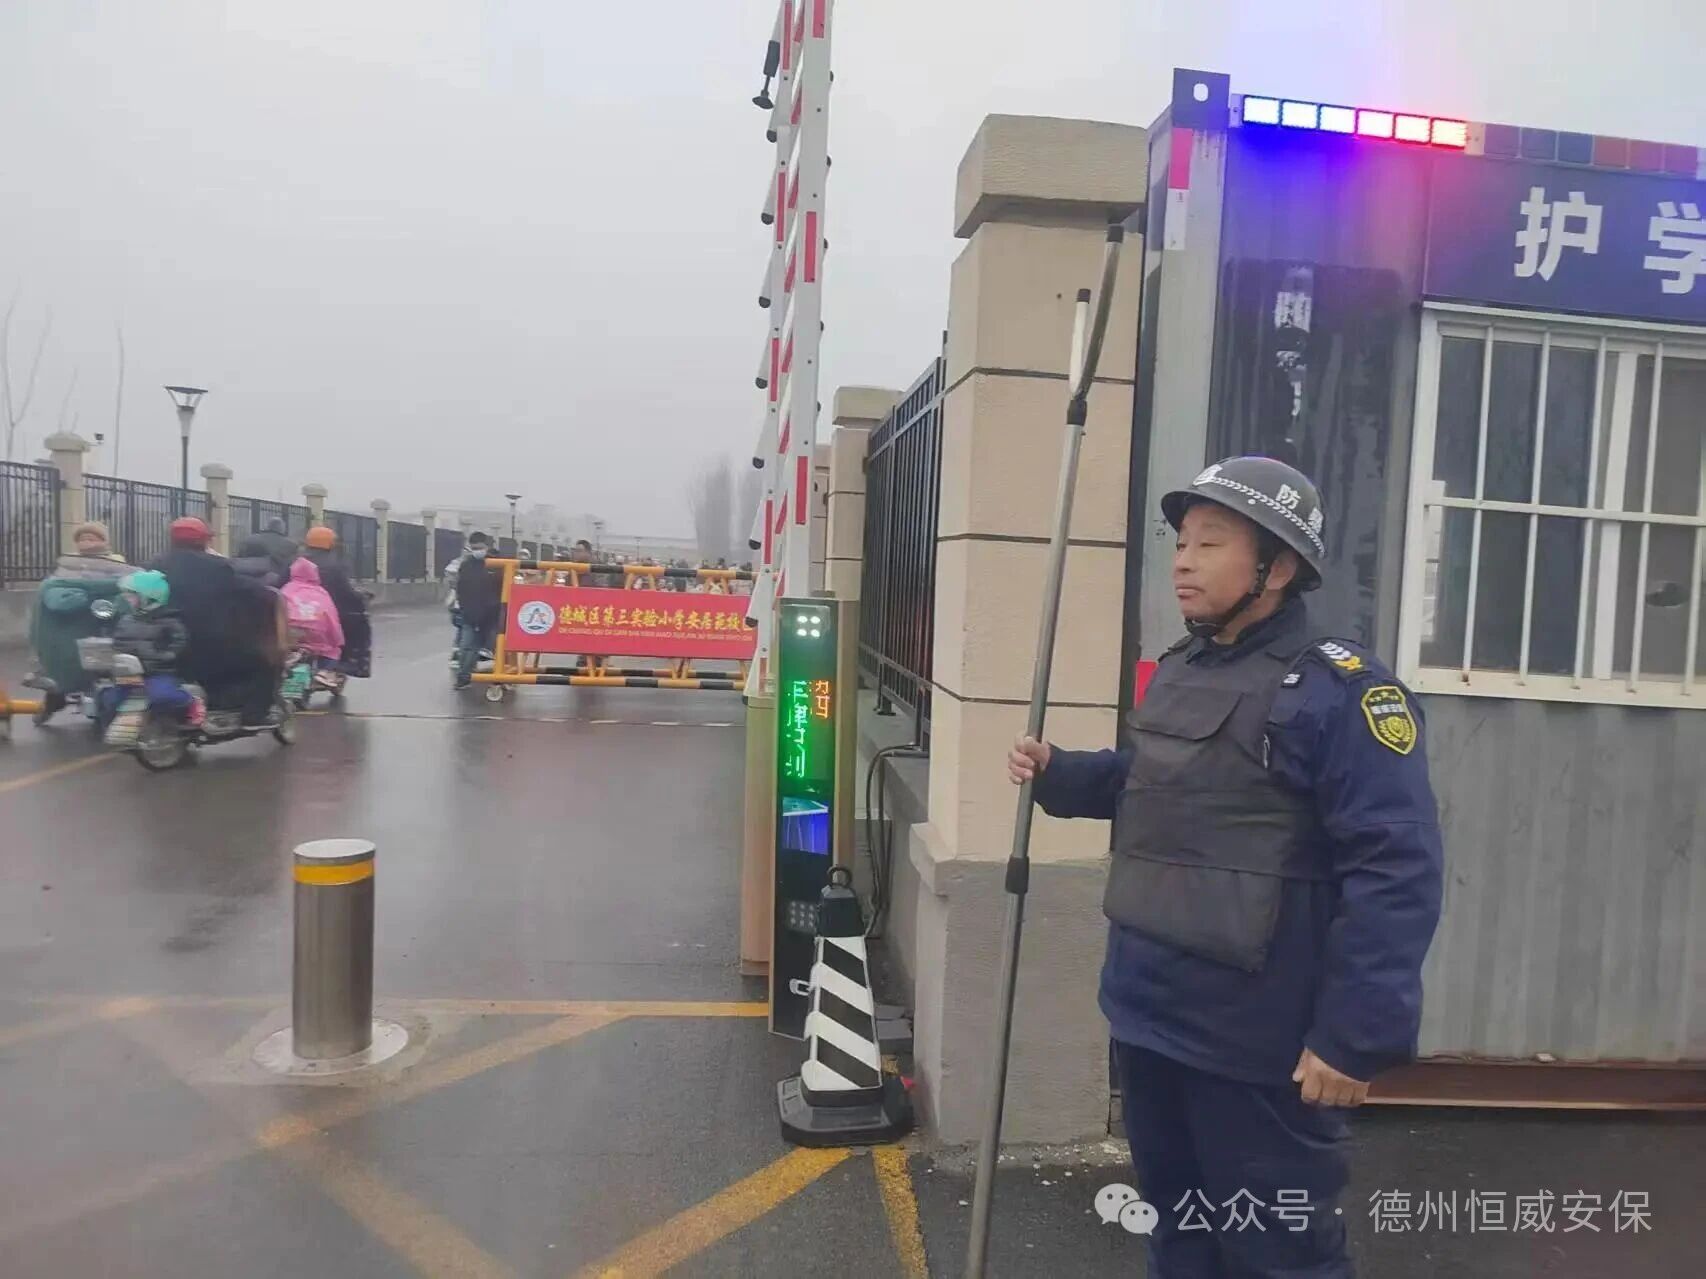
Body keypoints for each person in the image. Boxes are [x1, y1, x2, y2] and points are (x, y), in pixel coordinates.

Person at [1007, 456, 1444, 1278]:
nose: (1182, 560)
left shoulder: (1339, 691)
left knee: (1277, 1252)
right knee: (1180, 1233)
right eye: (1181, 541)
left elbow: (1397, 866)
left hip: (1255, 1043)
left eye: (1210, 543)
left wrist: (1353, 1035)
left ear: (1277, 567)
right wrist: (1062, 773)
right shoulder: (1183, 667)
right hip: (1149, 1013)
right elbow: (1156, 783)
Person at [151, 516, 281, 727]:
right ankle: (255, 715)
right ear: (204, 540)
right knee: (264, 663)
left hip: (164, 643)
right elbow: (247, 589)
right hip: (209, 646)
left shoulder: (155, 565)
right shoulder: (217, 566)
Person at [104, 569, 200, 725]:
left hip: (159, 672)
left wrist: (163, 656)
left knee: (160, 695)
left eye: (131, 596)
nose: (128, 600)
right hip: (130, 674)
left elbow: (180, 645)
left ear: (147, 597)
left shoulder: (170, 621)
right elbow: (118, 642)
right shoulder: (126, 620)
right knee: (111, 698)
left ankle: (191, 701)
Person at [302, 526, 371, 678]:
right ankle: (354, 662)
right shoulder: (335, 566)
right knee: (359, 621)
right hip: (328, 614)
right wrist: (361, 596)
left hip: (297, 615)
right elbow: (347, 591)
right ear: (330, 544)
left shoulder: (295, 562)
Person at [452, 531, 502, 690]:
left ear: (487, 546)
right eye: (473, 548)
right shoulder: (466, 565)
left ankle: (503, 678)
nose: (477, 551)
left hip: (493, 616)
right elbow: (461, 588)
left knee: (498, 648)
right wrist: (464, 608)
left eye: (479, 547)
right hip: (471, 615)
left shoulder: (498, 564)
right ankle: (464, 678)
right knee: (466, 648)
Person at [280, 557, 345, 669]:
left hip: (291, 641)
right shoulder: (321, 593)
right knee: (332, 654)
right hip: (319, 644)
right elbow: (331, 620)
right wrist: (337, 642)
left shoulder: (285, 590)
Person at [236, 517, 298, 585]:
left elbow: (239, 559)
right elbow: (293, 567)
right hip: (277, 583)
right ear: (283, 529)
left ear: (267, 527)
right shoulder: (291, 545)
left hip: (247, 581)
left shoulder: (249, 539)